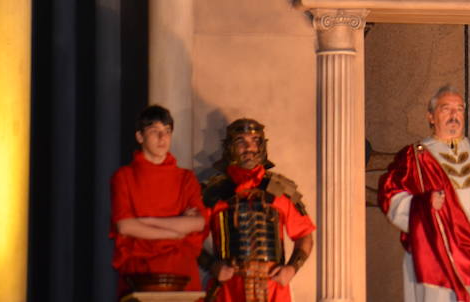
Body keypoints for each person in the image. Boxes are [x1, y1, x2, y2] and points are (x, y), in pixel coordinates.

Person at [378, 87, 470, 302]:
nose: (454, 115)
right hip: (435, 257)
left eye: (459, 109)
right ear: (431, 117)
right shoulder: (413, 158)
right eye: (446, 109)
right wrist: (423, 204)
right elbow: (392, 198)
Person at [202, 118, 315, 302]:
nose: (249, 148)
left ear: (262, 146)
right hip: (230, 287)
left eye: (255, 141)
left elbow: (305, 235)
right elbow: (189, 238)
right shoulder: (213, 192)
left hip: (272, 286)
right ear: (230, 146)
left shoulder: (280, 189)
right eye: (241, 141)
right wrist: (212, 266)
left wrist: (292, 268)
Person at [109, 104, 207, 294]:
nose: (163, 138)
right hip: (142, 272)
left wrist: (147, 222)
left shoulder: (186, 178)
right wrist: (175, 232)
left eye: (167, 131)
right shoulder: (124, 177)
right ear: (140, 136)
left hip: (181, 270)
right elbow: (125, 226)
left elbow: (197, 223)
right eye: (155, 131)